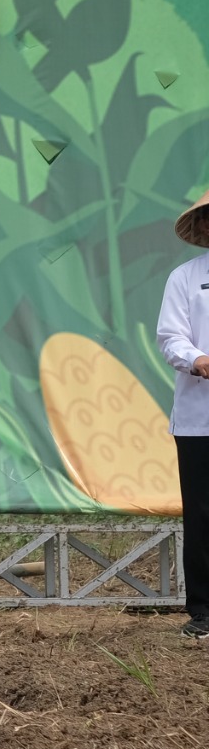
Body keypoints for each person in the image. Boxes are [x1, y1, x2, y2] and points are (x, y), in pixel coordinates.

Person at [154, 185, 209, 639]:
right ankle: (204, 610)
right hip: (199, 419)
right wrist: (197, 359)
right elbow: (171, 337)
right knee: (203, 513)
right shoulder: (185, 277)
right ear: (203, 225)